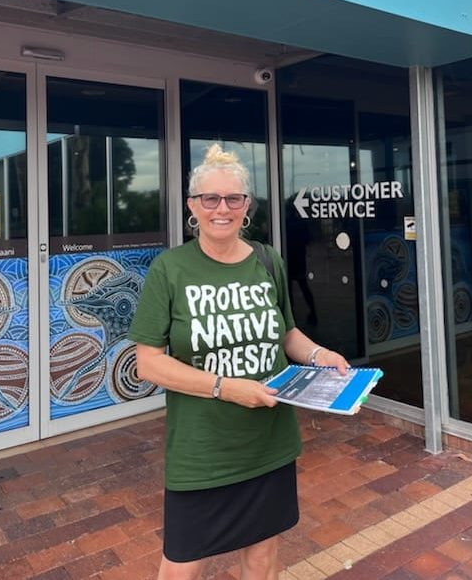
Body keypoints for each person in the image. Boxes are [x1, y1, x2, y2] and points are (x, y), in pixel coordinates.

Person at [128, 143, 349, 580]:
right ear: (193, 206)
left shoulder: (267, 260)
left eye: (233, 198)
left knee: (263, 559)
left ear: (247, 206)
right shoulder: (169, 269)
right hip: (203, 451)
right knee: (182, 565)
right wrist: (227, 387)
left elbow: (287, 333)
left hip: (268, 443)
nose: (221, 209)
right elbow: (148, 363)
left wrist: (322, 356)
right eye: (210, 198)